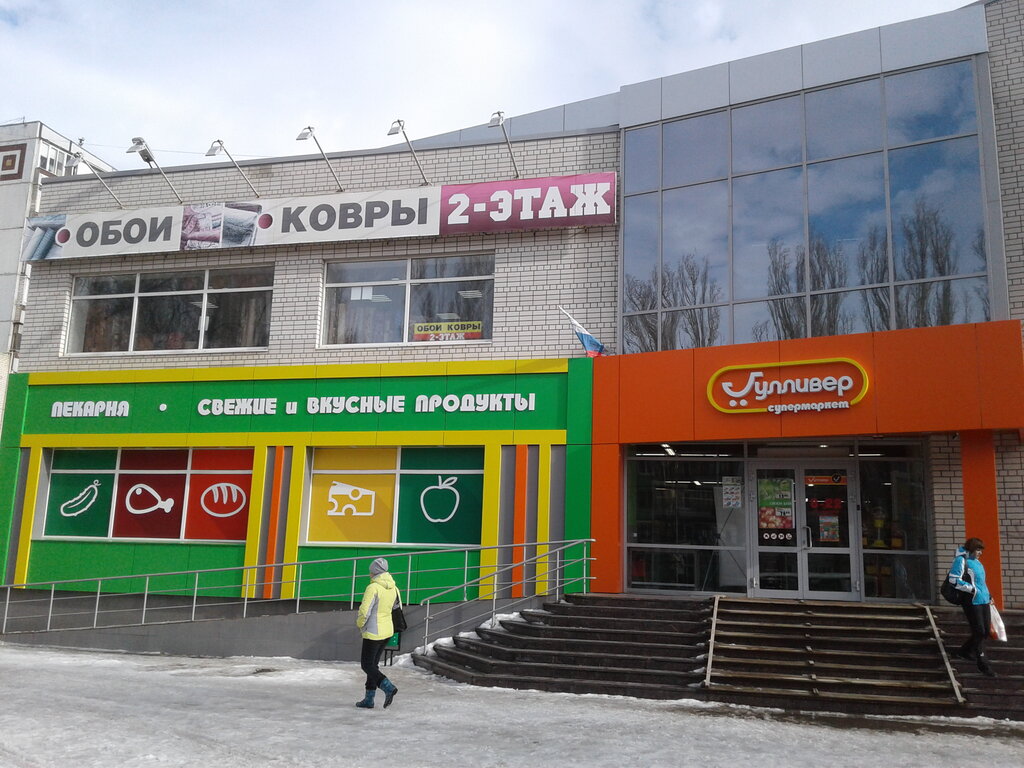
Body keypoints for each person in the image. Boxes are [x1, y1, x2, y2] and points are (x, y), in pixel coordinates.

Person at [354, 557, 400, 708]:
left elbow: (364, 611)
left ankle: (388, 687)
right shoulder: (393, 587)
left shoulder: (373, 588)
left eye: (370, 571)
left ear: (374, 572)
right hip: (387, 631)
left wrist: (359, 624)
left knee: (367, 665)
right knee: (373, 665)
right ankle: (369, 699)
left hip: (373, 631)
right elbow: (397, 608)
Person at [948, 537, 996, 677]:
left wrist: (989, 595)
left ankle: (964, 651)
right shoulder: (961, 560)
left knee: (985, 631)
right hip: (971, 601)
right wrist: (972, 590)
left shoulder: (978, 563)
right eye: (978, 550)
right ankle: (983, 664)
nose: (980, 553)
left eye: (981, 550)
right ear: (971, 549)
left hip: (983, 600)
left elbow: (981, 582)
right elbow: (954, 580)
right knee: (979, 630)